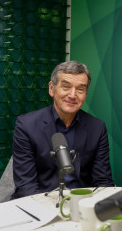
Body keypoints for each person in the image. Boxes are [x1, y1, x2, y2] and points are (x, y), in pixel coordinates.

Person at [11, 61, 114, 199]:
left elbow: (103, 182)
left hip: (81, 203)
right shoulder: (27, 125)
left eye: (80, 89)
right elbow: (26, 185)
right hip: (42, 201)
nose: (72, 95)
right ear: (51, 88)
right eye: (66, 87)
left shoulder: (97, 128)